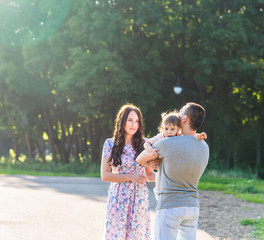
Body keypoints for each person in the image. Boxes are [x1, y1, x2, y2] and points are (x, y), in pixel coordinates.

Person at [136, 102, 209, 240]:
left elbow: (139, 159)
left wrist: (152, 163)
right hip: (192, 207)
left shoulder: (166, 143)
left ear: (185, 119)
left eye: (180, 113)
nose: (177, 115)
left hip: (170, 206)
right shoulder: (204, 146)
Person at [101, 104, 155, 240]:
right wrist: (131, 177)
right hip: (118, 198)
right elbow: (105, 175)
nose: (133, 124)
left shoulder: (145, 144)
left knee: (136, 236)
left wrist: (166, 177)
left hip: (139, 198)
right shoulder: (110, 144)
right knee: (117, 235)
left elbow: (149, 174)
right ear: (122, 121)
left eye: (137, 121)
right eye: (130, 120)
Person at [144, 110, 207, 200]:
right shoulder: (161, 136)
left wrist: (200, 136)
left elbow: (191, 137)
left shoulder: (179, 136)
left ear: (178, 130)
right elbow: (147, 143)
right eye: (166, 129)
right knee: (160, 181)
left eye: (172, 129)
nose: (169, 132)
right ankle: (159, 192)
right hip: (158, 161)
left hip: (170, 165)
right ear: (162, 128)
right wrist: (151, 150)